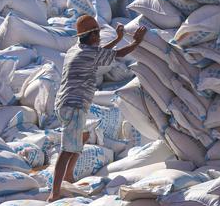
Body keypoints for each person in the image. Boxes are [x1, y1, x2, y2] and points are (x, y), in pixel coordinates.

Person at [48, 15, 147, 201]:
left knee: (83, 136)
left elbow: (101, 52)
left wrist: (117, 39)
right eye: (98, 33)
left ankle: (68, 176)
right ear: (91, 35)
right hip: (74, 105)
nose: (100, 36)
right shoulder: (88, 53)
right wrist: (137, 42)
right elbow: (120, 54)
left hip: (66, 103)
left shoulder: (76, 49)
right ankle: (54, 193)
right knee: (67, 149)